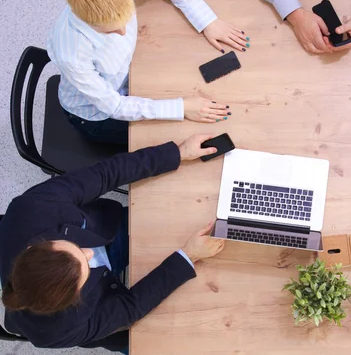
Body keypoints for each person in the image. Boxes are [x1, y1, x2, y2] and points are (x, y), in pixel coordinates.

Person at [0, 134, 225, 351]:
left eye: (75, 247)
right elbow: (129, 308)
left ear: (37, 247)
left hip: (107, 230)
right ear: (76, 299)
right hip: (108, 313)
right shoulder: (57, 331)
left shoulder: (32, 209)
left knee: (177, 214)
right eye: (86, 267)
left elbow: (105, 173)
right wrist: (187, 257)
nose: (89, 253)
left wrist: (178, 152)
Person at [48, 0, 248, 145]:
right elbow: (115, 107)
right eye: (111, 31)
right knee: (179, 136)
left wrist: (207, 20)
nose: (123, 33)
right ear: (89, 22)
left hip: (126, 78)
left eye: (126, 20)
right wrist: (182, 108)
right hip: (97, 116)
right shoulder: (72, 54)